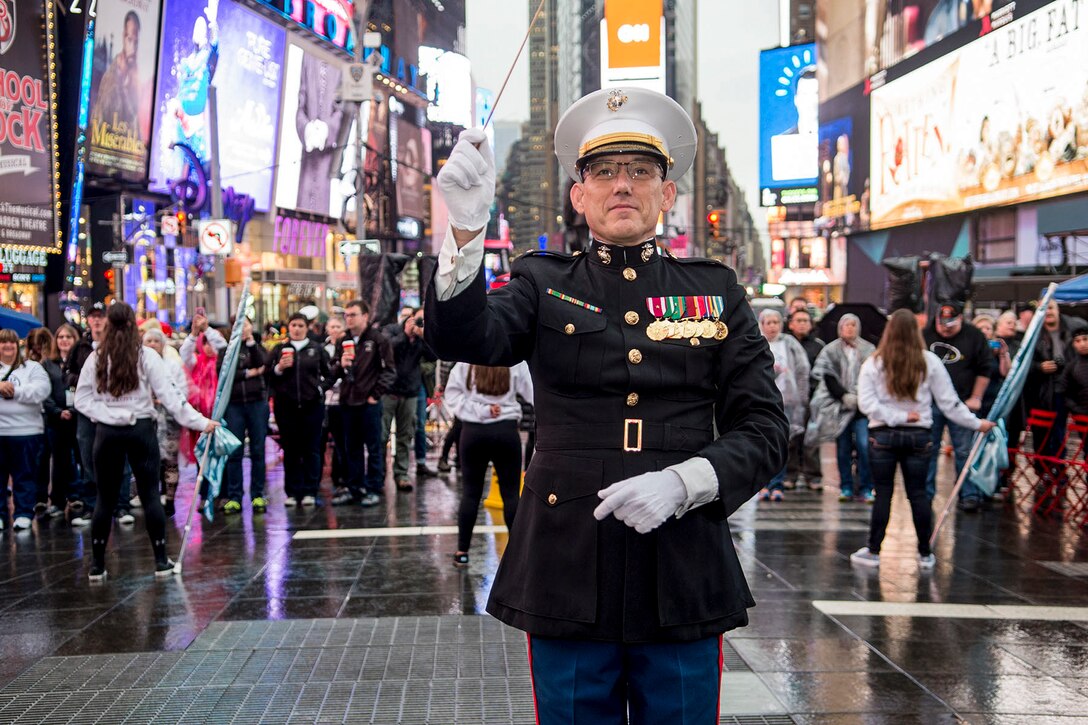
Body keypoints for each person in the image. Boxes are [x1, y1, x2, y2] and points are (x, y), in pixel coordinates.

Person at [426, 87, 788, 723]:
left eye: (641, 171)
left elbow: (763, 427)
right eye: (603, 171)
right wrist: (463, 231)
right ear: (579, 194)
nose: (622, 184)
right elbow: (463, 336)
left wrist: (688, 481)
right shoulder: (541, 283)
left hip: (683, 561)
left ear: (666, 194)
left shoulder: (714, 290)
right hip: (568, 556)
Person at [75, 303, 216, 580]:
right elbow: (172, 397)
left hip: (107, 432)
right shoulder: (147, 356)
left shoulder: (97, 357)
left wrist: (106, 415)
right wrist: (202, 422)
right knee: (151, 494)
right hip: (140, 428)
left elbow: (82, 399)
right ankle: (161, 560)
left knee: (104, 498)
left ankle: (97, 565)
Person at [854, 310, 995, 569]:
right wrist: (977, 424)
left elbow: (867, 405)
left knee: (883, 493)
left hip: (882, 436)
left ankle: (874, 551)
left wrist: (896, 416)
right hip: (919, 436)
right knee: (918, 494)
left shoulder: (874, 363)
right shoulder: (929, 362)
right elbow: (950, 403)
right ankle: (924, 552)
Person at [445, 362, 533, 566]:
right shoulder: (515, 362)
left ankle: (462, 551)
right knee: (510, 494)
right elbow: (533, 393)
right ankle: (520, 553)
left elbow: (452, 396)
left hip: (473, 432)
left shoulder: (465, 362)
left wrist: (480, 410)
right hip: (506, 431)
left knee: (470, 493)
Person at [923, 302, 992, 511]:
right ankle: (926, 495)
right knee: (929, 449)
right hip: (932, 403)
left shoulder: (974, 336)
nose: (945, 328)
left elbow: (985, 368)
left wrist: (977, 397)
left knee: (964, 450)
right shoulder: (926, 334)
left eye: (950, 324)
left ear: (961, 319)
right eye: (942, 324)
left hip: (962, 402)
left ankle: (968, 493)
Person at [330, 300, 394, 507]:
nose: (349, 319)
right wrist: (341, 364)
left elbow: (389, 371)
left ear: (365, 316)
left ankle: (374, 487)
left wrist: (375, 395)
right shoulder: (343, 341)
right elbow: (333, 371)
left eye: (353, 314)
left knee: (374, 447)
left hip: (369, 403)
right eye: (347, 315)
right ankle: (354, 487)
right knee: (351, 448)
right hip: (348, 401)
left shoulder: (378, 340)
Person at [812, 314, 876, 503]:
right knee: (843, 449)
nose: (849, 328)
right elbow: (827, 375)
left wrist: (858, 397)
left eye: (853, 325)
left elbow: (873, 375)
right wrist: (843, 396)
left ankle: (866, 487)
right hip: (839, 407)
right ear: (840, 328)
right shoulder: (830, 350)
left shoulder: (868, 349)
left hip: (862, 409)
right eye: (846, 325)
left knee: (865, 446)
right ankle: (846, 487)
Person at [269, 312, 330, 507]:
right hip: (286, 407)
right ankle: (293, 491)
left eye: (300, 325)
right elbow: (267, 375)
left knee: (311, 449)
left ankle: (310, 489)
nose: (296, 329)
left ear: (307, 328)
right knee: (291, 449)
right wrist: (278, 368)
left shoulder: (317, 349)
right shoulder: (279, 349)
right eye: (293, 325)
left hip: (311, 406)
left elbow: (330, 374)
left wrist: (319, 389)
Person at [217, 316, 269, 514]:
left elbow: (263, 365)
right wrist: (249, 373)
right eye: (239, 325)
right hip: (234, 405)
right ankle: (234, 496)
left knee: (258, 450)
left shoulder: (257, 347)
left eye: (246, 324)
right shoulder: (226, 351)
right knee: (234, 452)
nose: (243, 328)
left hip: (256, 403)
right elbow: (224, 374)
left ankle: (258, 495)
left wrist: (251, 344)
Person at [0, 329, 51, 531]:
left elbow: (41, 390)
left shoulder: (32, 368)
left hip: (27, 431)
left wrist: (13, 392)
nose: (8, 346)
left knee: (25, 475)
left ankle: (23, 513)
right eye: (3, 343)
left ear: (18, 346)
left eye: (12, 343)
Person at [381, 308, 436, 491]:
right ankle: (378, 474)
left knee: (406, 436)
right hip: (389, 391)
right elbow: (387, 349)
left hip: (410, 392)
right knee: (382, 435)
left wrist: (424, 336)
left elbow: (432, 356)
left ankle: (401, 474)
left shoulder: (420, 339)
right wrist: (405, 335)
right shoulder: (392, 330)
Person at [759, 308, 809, 501]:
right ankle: (763, 484)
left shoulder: (790, 344)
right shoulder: (757, 343)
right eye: (768, 322)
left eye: (775, 322)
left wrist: (801, 398)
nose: (772, 326)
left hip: (786, 402)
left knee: (782, 444)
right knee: (762, 443)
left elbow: (803, 370)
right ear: (762, 324)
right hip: (762, 402)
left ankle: (777, 484)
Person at [70, 302, 109, 527]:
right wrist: (86, 383)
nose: (96, 320)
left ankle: (119, 504)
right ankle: (90, 504)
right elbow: (69, 374)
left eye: (100, 316)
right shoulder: (81, 346)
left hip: (110, 408)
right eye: (93, 317)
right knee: (87, 458)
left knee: (115, 459)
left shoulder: (115, 345)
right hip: (85, 410)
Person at [142, 327, 187, 516]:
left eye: (156, 341)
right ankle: (152, 498)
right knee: (149, 462)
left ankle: (169, 499)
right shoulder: (139, 365)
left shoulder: (172, 365)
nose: (152, 345)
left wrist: (167, 399)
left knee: (170, 460)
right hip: (147, 419)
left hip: (169, 420)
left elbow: (181, 389)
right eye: (148, 341)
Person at [26, 328, 70, 519]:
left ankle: (58, 499)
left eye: (40, 346)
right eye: (34, 347)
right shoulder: (29, 362)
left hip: (53, 416)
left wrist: (56, 410)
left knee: (59, 459)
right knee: (40, 458)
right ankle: (40, 498)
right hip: (37, 416)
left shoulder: (52, 363)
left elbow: (51, 390)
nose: (38, 350)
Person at [787, 308, 825, 490]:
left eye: (805, 320)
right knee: (791, 438)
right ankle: (790, 474)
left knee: (812, 439)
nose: (802, 323)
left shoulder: (818, 346)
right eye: (798, 320)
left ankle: (813, 475)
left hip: (812, 398)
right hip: (789, 400)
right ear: (791, 324)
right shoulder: (784, 343)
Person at [54, 324, 83, 517]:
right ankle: (58, 499)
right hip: (57, 418)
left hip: (79, 416)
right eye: (60, 337)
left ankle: (81, 496)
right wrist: (57, 410)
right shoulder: (50, 363)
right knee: (60, 460)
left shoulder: (82, 362)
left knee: (82, 458)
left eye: (68, 337)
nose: (64, 340)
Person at [323, 315, 348, 500]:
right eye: (332, 326)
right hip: (324, 400)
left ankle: (341, 479)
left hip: (343, 400)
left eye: (338, 326)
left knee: (342, 442)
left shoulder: (349, 346)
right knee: (320, 442)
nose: (334, 329)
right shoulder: (322, 348)